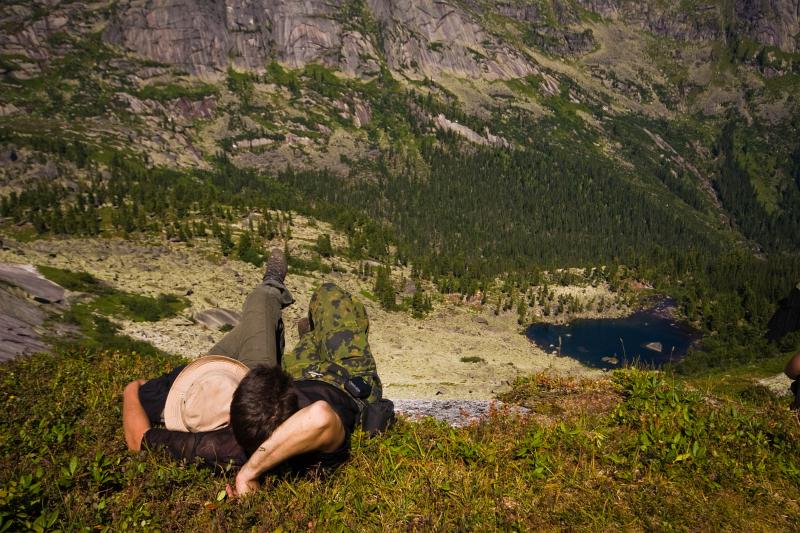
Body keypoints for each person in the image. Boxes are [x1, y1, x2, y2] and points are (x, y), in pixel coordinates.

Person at [122, 248, 393, 497]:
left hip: (299, 373)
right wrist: (250, 473)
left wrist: (129, 390)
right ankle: (310, 337)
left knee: (288, 337)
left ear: (232, 414)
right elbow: (320, 416)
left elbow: (139, 440)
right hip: (347, 381)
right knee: (328, 293)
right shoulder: (321, 442)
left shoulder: (224, 446)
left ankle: (307, 338)